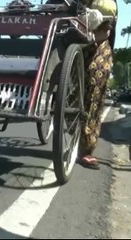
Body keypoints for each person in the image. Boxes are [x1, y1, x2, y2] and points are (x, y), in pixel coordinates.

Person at [78, 0, 118, 169]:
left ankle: (87, 149)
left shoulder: (107, 3)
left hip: (98, 45)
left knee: (93, 93)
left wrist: (90, 37)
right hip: (72, 41)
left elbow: (106, 32)